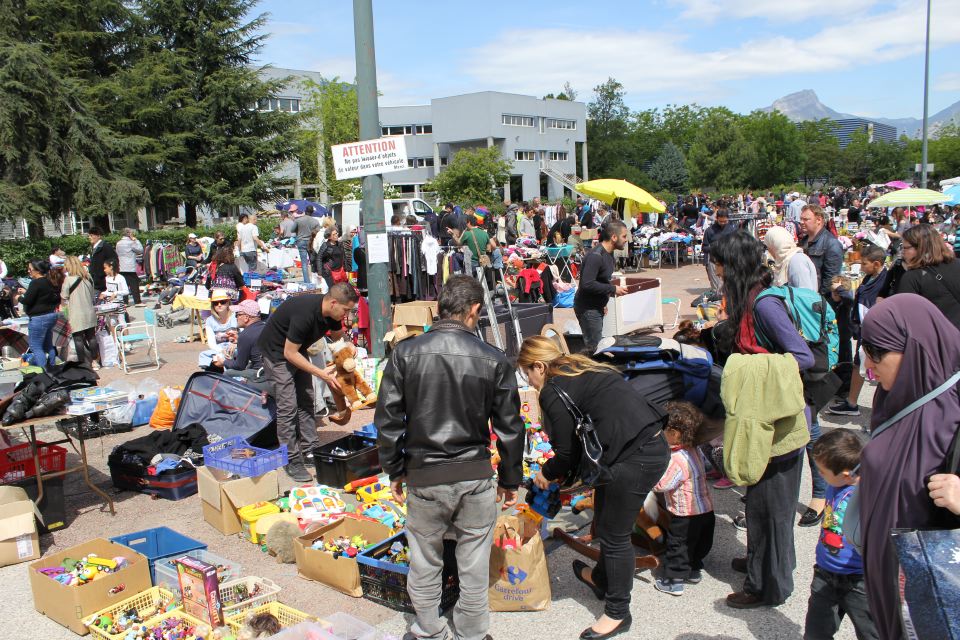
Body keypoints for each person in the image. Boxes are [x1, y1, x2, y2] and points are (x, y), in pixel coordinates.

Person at [376, 275, 524, 640]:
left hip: (424, 474)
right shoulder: (493, 358)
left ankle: (429, 630)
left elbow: (389, 421)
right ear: (474, 310)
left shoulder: (405, 353)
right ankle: (472, 633)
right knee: (473, 563)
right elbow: (510, 427)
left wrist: (394, 470)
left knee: (425, 562)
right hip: (473, 474)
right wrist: (510, 479)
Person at [517, 335, 670, 639]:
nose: (530, 383)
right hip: (646, 445)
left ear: (538, 366)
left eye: (528, 375)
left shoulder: (553, 390)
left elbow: (564, 454)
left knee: (615, 535)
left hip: (635, 457)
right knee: (606, 515)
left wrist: (547, 474)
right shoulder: (578, 367)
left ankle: (617, 613)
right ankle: (602, 579)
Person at [710, 231, 813, 609]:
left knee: (774, 509)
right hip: (762, 419)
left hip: (780, 422)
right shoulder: (747, 299)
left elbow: (802, 357)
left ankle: (768, 586)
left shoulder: (765, 305)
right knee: (758, 501)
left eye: (719, 262)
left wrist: (746, 367)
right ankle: (760, 563)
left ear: (733, 265)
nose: (716, 268)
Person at [856, 294, 960, 640]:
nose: (869, 366)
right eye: (865, 352)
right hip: (891, 588)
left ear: (915, 348)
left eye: (878, 353)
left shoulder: (952, 413)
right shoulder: (896, 398)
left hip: (932, 597)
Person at [258, 283, 356, 482]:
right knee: (288, 406)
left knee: (306, 398)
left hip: (296, 349)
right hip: (277, 353)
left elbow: (338, 338)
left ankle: (309, 448)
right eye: (346, 310)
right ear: (334, 302)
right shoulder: (305, 313)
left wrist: (348, 347)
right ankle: (291, 459)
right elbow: (289, 353)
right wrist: (322, 374)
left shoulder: (333, 314)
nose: (346, 315)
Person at [803, 430, 880, 640]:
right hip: (825, 574)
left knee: (871, 633)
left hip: (859, 581)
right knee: (816, 632)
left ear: (846, 475)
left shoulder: (869, 495)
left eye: (822, 471)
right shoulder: (835, 484)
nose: (819, 475)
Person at [653, 401, 715, 597]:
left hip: (685, 513)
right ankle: (694, 568)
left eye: (665, 431)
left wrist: (651, 476)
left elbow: (662, 485)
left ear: (676, 433)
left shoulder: (676, 458)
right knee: (698, 541)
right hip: (705, 508)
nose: (662, 434)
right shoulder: (694, 450)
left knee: (678, 545)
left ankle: (674, 580)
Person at [827, 244, 887, 417]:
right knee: (858, 365)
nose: (861, 267)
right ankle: (851, 403)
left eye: (864, 264)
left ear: (876, 264)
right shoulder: (870, 278)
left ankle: (882, 409)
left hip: (876, 331)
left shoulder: (884, 280)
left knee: (879, 369)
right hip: (864, 330)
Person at [574, 220, 629, 353]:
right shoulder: (596, 256)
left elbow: (601, 280)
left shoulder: (608, 254)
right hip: (588, 308)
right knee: (595, 349)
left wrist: (603, 300)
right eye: (624, 236)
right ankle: (589, 372)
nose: (626, 240)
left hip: (595, 306)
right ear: (614, 237)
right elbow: (587, 283)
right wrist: (613, 289)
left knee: (596, 346)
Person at [894, 223, 960, 329]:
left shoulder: (912, 277)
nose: (903, 252)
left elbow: (906, 319)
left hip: (940, 340)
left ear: (920, 248)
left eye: (905, 248)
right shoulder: (958, 264)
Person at [22, 260, 64, 369]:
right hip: (51, 315)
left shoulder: (35, 283)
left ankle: (44, 372)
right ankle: (52, 368)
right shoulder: (50, 281)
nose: (28, 271)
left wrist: (19, 298)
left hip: (39, 318)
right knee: (48, 345)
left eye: (30, 269)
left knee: (36, 346)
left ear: (37, 271)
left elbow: (27, 300)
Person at [213, 299, 265, 384]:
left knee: (228, 373)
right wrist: (239, 340)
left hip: (260, 374)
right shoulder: (265, 327)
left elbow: (239, 365)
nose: (236, 317)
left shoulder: (246, 334)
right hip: (271, 371)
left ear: (246, 318)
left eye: (238, 314)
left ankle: (230, 395)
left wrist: (223, 362)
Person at [61, 256, 98, 370]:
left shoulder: (68, 280)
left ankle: (83, 363)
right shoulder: (88, 277)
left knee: (78, 339)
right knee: (91, 337)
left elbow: (64, 296)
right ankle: (95, 361)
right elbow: (92, 295)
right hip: (89, 311)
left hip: (75, 312)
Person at [764, 226, 818, 290]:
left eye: (769, 248)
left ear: (775, 246)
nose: (769, 252)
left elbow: (805, 294)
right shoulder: (784, 262)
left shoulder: (797, 261)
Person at [702, 208, 737, 292]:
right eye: (720, 221)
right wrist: (715, 248)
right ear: (716, 219)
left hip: (728, 261)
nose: (723, 223)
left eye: (725, 221)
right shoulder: (709, 231)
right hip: (714, 262)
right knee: (716, 288)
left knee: (729, 287)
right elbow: (704, 248)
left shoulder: (732, 230)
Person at [115, 228, 144, 307]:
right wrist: (136, 240)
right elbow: (140, 250)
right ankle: (137, 301)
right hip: (130, 266)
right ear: (129, 234)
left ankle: (125, 302)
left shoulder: (118, 243)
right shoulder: (131, 242)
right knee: (134, 284)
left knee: (123, 284)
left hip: (121, 266)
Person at [205, 290, 237, 355]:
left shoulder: (236, 316)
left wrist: (235, 345)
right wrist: (221, 351)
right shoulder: (209, 321)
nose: (219, 305)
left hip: (235, 347)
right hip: (219, 350)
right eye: (215, 303)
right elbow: (211, 343)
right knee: (204, 355)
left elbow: (243, 336)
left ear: (228, 302)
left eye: (222, 302)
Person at [293, 208, 320, 285]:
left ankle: (307, 282)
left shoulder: (298, 220)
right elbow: (318, 230)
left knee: (304, 262)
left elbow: (292, 230)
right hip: (311, 242)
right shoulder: (315, 221)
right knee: (313, 261)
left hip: (301, 241)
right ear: (312, 212)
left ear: (305, 211)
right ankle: (316, 280)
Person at [88, 226, 117, 295]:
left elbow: (114, 261)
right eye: (89, 235)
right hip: (96, 280)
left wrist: (108, 274)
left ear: (98, 236)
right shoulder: (93, 247)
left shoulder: (106, 247)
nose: (89, 237)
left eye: (91, 235)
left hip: (104, 280)